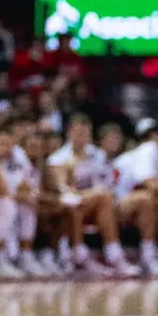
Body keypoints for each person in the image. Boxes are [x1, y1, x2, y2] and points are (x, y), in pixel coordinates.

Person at [46, 114, 127, 275]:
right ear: (70, 133)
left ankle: (113, 256)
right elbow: (62, 189)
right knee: (81, 202)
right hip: (67, 204)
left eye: (86, 133)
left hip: (95, 205)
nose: (83, 137)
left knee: (105, 199)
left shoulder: (98, 155)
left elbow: (107, 184)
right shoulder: (58, 158)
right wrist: (86, 193)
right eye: (79, 133)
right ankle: (95, 255)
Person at [114, 119, 158, 277]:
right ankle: (148, 256)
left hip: (142, 201)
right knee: (146, 199)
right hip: (118, 201)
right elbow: (151, 185)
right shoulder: (147, 150)